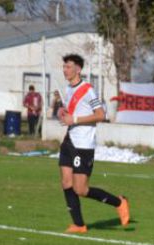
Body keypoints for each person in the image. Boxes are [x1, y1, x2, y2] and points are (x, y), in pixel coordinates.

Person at [55, 54, 130, 234]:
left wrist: (74, 119)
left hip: (83, 145)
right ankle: (79, 224)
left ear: (78, 69)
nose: (65, 70)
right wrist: (61, 110)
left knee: (80, 189)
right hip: (69, 141)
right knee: (66, 183)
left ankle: (119, 202)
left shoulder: (87, 89)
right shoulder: (68, 89)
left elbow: (101, 115)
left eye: (69, 67)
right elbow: (71, 111)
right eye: (64, 67)